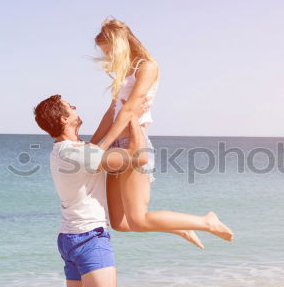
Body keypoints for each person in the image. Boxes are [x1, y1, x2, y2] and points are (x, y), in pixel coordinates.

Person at [32, 93, 148, 287]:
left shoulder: (68, 151)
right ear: (62, 120)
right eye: (71, 107)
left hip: (69, 239)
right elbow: (138, 158)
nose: (76, 108)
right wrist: (133, 119)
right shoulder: (77, 153)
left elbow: (98, 140)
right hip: (90, 239)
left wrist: (118, 107)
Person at [89, 18, 234, 247]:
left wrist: (102, 148)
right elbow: (111, 113)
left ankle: (206, 221)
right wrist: (92, 146)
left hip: (132, 143)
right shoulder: (124, 72)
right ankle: (180, 228)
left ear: (120, 45)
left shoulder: (146, 66)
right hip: (116, 145)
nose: (108, 59)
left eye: (109, 53)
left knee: (138, 220)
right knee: (119, 223)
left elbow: (129, 109)